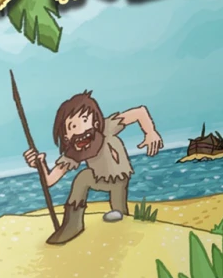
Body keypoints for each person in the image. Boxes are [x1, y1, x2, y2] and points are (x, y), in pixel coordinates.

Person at [24, 91, 163, 245]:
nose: (81, 128)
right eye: (73, 126)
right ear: (66, 136)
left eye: (85, 120)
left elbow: (139, 112)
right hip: (98, 178)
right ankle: (73, 223)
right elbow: (50, 180)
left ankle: (121, 218)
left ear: (94, 121)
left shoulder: (107, 127)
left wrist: (150, 132)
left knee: (120, 213)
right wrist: (40, 165)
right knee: (82, 178)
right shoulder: (74, 151)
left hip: (120, 177)